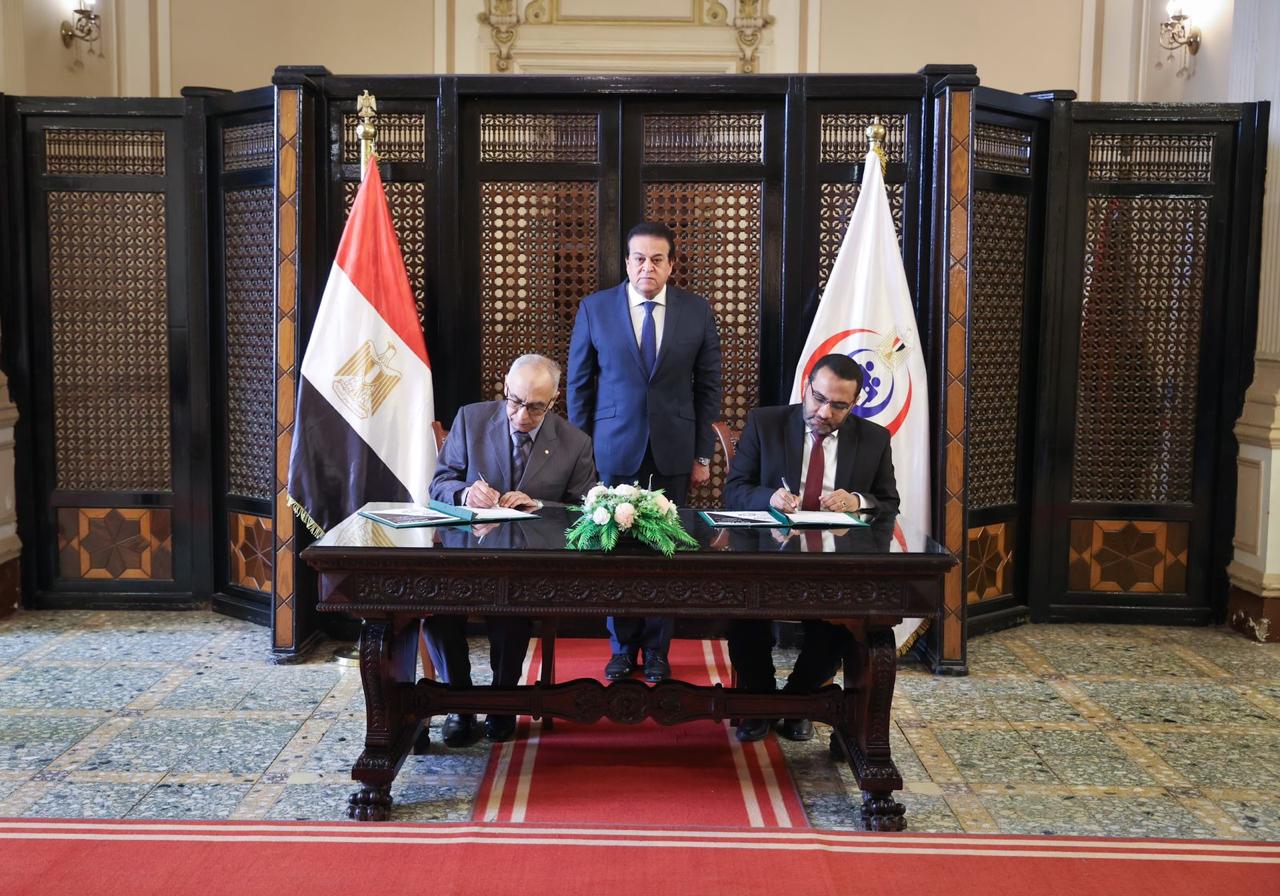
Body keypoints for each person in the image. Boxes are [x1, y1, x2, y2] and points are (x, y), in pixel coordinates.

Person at [567, 221, 722, 683]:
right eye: (639, 258)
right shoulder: (596, 309)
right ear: (627, 262)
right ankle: (621, 648)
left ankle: (657, 651)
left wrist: (702, 456)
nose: (646, 267)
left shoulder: (696, 311)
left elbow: (708, 388)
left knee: (664, 553)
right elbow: (579, 387)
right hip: (612, 451)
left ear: (671, 264)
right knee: (615, 554)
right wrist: (580, 456)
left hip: (673, 449)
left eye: (657, 259)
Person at [722, 353, 900, 743]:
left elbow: (888, 502)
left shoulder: (873, 439)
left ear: (854, 404)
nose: (823, 412)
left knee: (841, 622)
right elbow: (735, 490)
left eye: (838, 405)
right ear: (806, 387)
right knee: (743, 614)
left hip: (834, 562)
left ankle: (800, 701)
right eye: (818, 398)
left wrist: (857, 501)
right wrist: (769, 497)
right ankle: (760, 700)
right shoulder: (766, 423)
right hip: (769, 556)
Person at [425, 354, 596, 745]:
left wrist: (540, 506)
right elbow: (439, 485)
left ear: (553, 401)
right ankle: (460, 704)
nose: (521, 415)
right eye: (515, 401)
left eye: (535, 408)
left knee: (510, 616)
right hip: (465, 551)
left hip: (527, 561)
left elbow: (587, 510)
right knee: (438, 615)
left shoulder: (574, 442)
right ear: (505, 388)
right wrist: (465, 493)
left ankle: (503, 702)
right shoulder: (471, 420)